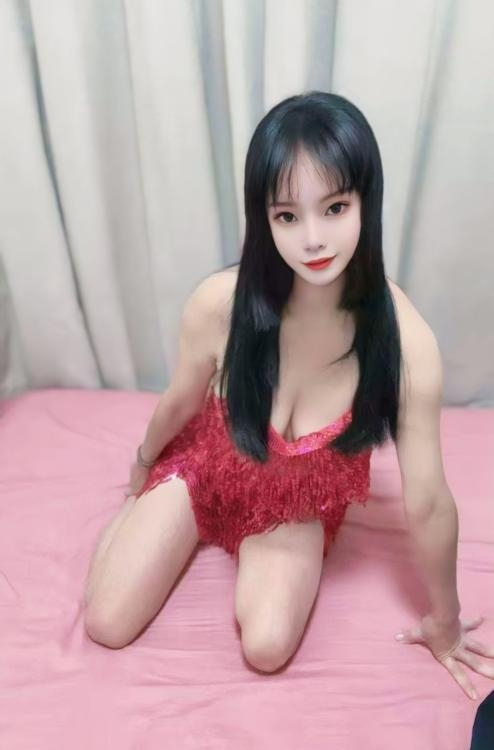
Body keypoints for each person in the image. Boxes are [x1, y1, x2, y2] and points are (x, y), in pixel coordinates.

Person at [83, 91, 493, 692]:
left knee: (268, 646)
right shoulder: (220, 303)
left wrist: (446, 621)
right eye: (287, 217)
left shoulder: (406, 342)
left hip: (298, 500)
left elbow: (428, 500)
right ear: (264, 218)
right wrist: (144, 464)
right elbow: (180, 399)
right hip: (211, 464)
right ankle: (141, 516)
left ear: (366, 201)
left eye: (335, 207)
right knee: (105, 622)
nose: (313, 240)